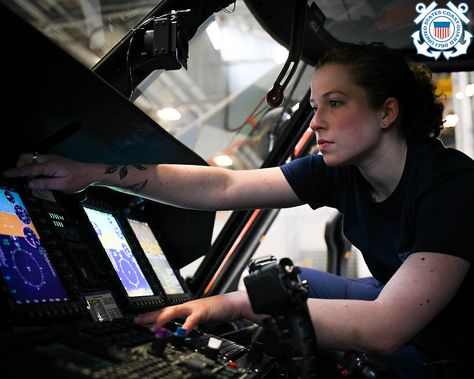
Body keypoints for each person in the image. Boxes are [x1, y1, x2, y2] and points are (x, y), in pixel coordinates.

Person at [3, 43, 472, 379]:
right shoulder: (341, 169)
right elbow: (224, 184)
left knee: (266, 302)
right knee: (289, 284)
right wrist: (91, 172)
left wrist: (232, 304)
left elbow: (385, 329)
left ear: (387, 112)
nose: (317, 121)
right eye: (314, 105)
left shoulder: (452, 187)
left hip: (446, 344)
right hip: (389, 296)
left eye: (335, 103)